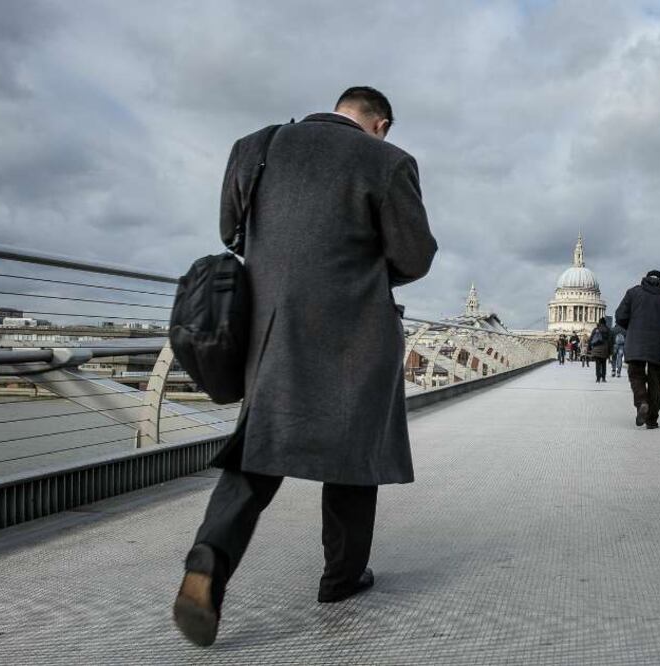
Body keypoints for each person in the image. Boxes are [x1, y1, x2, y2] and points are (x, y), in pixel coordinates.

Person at [173, 86, 438, 648]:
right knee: (354, 454)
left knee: (257, 450)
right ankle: (341, 578)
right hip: (358, 328)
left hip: (271, 324)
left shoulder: (256, 145)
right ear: (381, 125)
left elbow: (230, 232)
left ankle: (209, 559)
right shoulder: (388, 160)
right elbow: (414, 257)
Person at [615, 270, 660, 429]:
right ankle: (652, 420)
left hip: (636, 342)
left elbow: (620, 316)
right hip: (658, 344)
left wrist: (632, 328)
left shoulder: (633, 292)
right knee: (655, 381)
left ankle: (642, 402)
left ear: (646, 278)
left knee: (636, 375)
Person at [587, 317, 611, 383]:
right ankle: (603, 378)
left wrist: (589, 348)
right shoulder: (608, 330)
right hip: (605, 349)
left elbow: (591, 339)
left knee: (597, 364)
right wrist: (610, 351)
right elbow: (610, 341)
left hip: (596, 348)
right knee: (604, 364)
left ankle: (598, 378)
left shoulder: (595, 329)